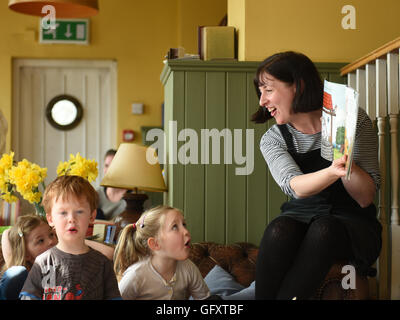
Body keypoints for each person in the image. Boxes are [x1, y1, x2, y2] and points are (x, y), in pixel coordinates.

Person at [252, 51, 382, 300]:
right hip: (301, 216)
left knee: (325, 229)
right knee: (279, 229)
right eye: (260, 92)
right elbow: (296, 187)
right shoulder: (273, 139)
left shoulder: (355, 121)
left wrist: (341, 150)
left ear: (298, 86)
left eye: (268, 90)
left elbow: (365, 198)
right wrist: (334, 169)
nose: (262, 101)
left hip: (352, 223)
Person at [19, 175, 121, 300]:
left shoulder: (102, 264)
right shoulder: (42, 263)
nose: (72, 219)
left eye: (79, 211)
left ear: (92, 216)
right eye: (63, 213)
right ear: (50, 219)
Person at [114, 205, 210, 300]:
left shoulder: (188, 268)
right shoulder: (136, 275)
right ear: (155, 244)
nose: (186, 231)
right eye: (175, 227)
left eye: (184, 224)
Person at [96, 149, 127, 220]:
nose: (109, 170)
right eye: (106, 166)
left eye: (113, 166)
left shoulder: (135, 197)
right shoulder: (96, 194)